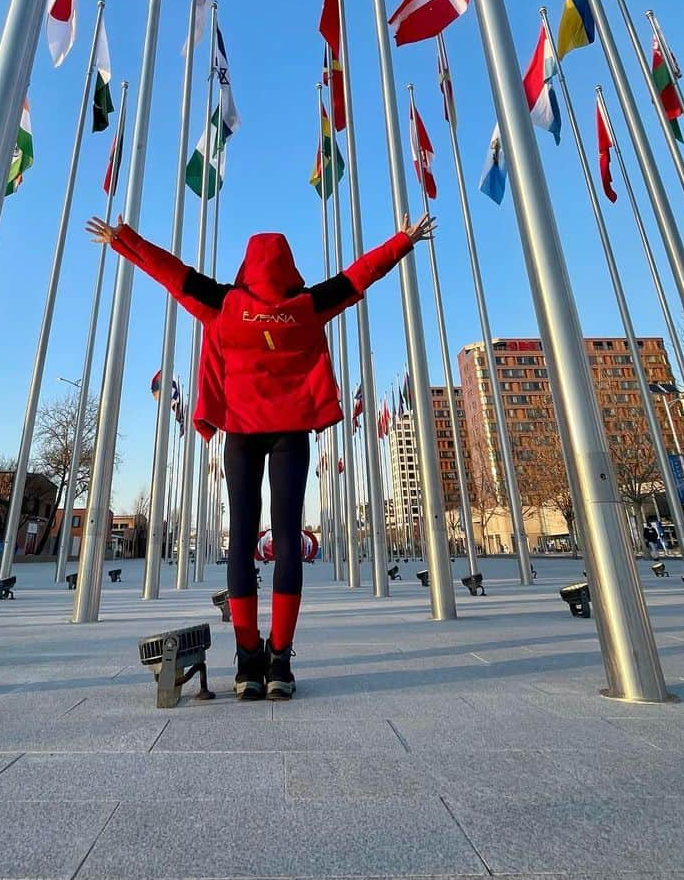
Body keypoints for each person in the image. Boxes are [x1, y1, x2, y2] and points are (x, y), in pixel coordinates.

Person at [87, 210, 435, 701]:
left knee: (243, 541)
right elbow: (362, 274)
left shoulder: (224, 303)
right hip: (290, 434)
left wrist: (123, 239)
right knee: (288, 539)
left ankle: (249, 660)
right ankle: (281, 664)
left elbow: (170, 272)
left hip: (242, 435)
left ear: (248, 266)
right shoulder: (308, 305)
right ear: (288, 266)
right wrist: (404, 238)